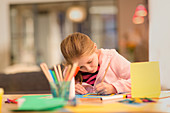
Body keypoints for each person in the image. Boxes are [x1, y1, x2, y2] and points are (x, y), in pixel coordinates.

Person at [60, 32, 131, 95]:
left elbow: (138, 80)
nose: (88, 68)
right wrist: (70, 90)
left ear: (95, 47)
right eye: (81, 67)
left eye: (90, 61)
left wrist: (113, 88)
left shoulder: (111, 57)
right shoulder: (70, 69)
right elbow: (62, 92)